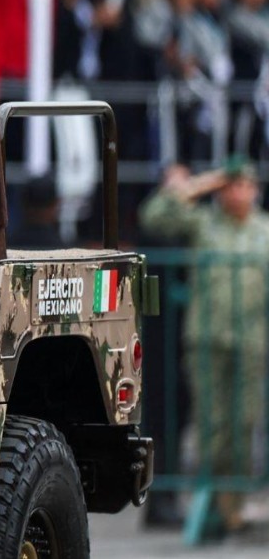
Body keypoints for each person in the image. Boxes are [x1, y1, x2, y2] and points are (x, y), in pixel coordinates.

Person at [138, 158, 268, 536]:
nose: (238, 192)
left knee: (244, 424)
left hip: (251, 341)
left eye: (244, 184)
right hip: (207, 340)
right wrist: (200, 184)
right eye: (230, 185)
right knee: (212, 427)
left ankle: (232, 507)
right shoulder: (204, 224)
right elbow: (155, 216)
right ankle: (208, 506)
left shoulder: (264, 231)